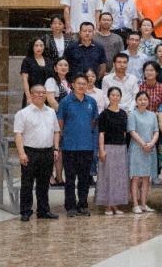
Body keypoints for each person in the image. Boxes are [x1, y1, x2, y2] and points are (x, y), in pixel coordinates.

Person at [13, 84, 60, 221]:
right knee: (27, 183)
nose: (41, 95)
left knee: (44, 183)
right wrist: (21, 153)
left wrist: (56, 148)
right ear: (31, 94)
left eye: (43, 92)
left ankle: (43, 211)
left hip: (47, 152)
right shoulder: (23, 113)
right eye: (37, 92)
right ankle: (26, 211)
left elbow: (56, 131)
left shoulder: (51, 112)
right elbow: (18, 135)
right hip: (30, 152)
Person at [57, 74, 98, 217]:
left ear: (87, 85)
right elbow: (60, 123)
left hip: (86, 146)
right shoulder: (65, 102)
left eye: (84, 83)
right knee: (70, 179)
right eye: (79, 83)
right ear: (73, 85)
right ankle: (70, 207)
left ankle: (83, 205)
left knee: (84, 179)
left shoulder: (91, 102)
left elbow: (93, 122)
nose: (81, 86)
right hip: (69, 147)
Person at [96, 88, 129, 215]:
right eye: (112, 95)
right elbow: (101, 133)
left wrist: (124, 146)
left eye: (117, 95)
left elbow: (124, 133)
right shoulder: (104, 114)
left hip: (121, 147)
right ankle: (108, 205)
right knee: (107, 176)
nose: (115, 97)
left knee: (119, 177)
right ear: (108, 97)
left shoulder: (123, 114)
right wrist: (102, 150)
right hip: (108, 147)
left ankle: (116, 204)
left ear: (120, 97)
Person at [127, 91, 158, 214]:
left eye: (145, 99)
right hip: (137, 148)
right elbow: (132, 131)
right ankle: (135, 204)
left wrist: (151, 143)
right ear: (136, 101)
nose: (143, 101)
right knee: (135, 177)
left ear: (148, 101)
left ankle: (144, 204)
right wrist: (143, 144)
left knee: (146, 177)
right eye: (140, 99)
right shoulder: (132, 114)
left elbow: (156, 131)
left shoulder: (152, 115)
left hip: (150, 148)